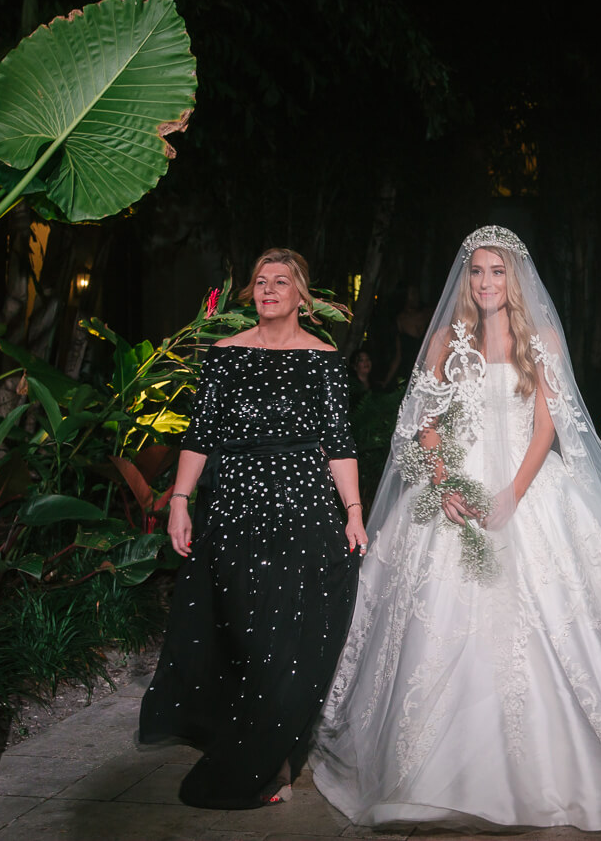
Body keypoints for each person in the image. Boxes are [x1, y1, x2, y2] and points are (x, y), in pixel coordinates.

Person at [310, 226, 601, 831]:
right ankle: (426, 767)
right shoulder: (443, 341)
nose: (485, 282)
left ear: (515, 278)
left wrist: (511, 493)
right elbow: (424, 421)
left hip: (524, 485)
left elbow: (547, 427)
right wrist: (443, 481)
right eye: (477, 271)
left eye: (497, 272)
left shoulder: (542, 338)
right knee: (434, 616)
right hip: (452, 487)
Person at [139, 247, 368, 809]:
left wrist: (355, 511)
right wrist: (180, 500)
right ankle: (255, 749)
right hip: (236, 508)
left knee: (286, 636)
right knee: (241, 633)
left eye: (281, 281)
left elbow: (338, 443)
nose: (268, 290)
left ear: (301, 295)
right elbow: (201, 434)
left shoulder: (323, 358)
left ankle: (277, 761)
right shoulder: (223, 355)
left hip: (303, 509)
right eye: (261, 281)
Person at [379, 285, 431, 388]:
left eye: (416, 293)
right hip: (408, 371)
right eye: (412, 294)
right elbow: (398, 355)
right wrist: (386, 381)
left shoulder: (429, 313)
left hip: (428, 368)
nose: (415, 297)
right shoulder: (399, 319)